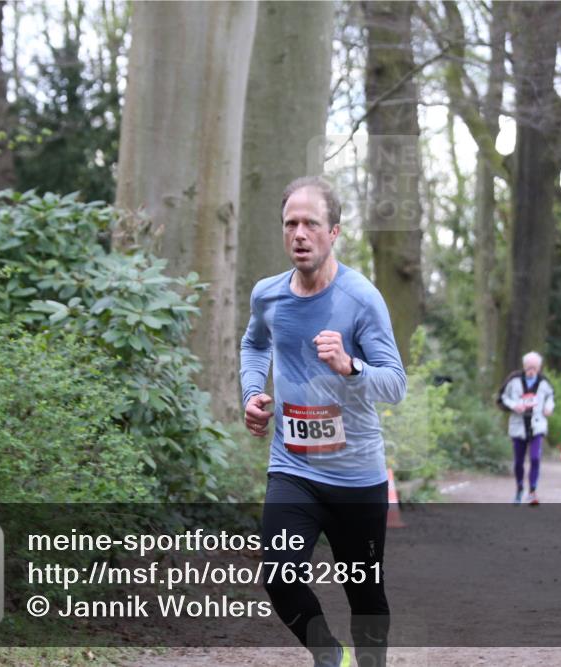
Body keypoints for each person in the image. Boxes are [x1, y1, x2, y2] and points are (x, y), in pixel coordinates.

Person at [240, 176, 407, 667]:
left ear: (334, 232)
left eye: (311, 223)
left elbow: (395, 384)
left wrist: (350, 367)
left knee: (366, 597)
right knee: (279, 575)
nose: (299, 233)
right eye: (291, 223)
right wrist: (252, 392)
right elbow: (254, 345)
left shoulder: (361, 299)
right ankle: (329, 656)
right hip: (294, 468)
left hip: (356, 476)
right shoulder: (268, 296)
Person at [496, 351, 556, 506]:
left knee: (535, 458)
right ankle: (519, 489)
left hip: (537, 424)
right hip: (518, 425)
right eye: (529, 367)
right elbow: (503, 397)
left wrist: (549, 407)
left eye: (535, 368)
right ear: (524, 366)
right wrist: (514, 405)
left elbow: (551, 397)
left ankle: (532, 491)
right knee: (518, 461)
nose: (531, 371)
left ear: (539, 368)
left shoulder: (544, 383)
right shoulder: (514, 380)